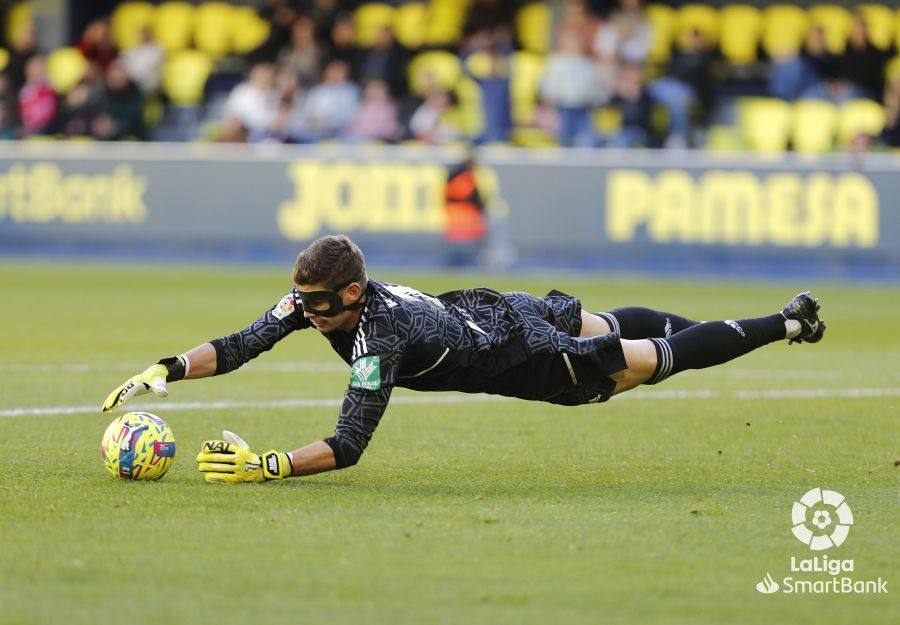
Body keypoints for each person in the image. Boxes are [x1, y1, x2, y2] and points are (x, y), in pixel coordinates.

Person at [101, 235, 827, 484]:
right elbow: (237, 345)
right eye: (300, 299)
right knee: (614, 321)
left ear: (351, 292)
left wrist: (272, 465)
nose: (302, 312)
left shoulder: (377, 337)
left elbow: (349, 444)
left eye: (316, 303)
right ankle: (764, 323)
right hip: (492, 306)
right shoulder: (317, 304)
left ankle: (788, 322)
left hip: (528, 355)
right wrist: (164, 366)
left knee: (647, 358)